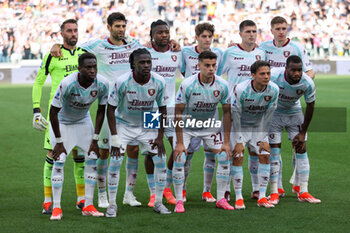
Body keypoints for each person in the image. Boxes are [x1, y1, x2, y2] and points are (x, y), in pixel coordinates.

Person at [50, 12, 180, 208]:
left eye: (123, 26)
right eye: (117, 26)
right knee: (105, 151)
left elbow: (155, 45)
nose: (121, 29)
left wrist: (173, 42)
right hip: (112, 107)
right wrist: (56, 46)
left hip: (146, 103)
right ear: (109, 27)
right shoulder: (96, 45)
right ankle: (102, 195)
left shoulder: (134, 44)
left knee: (138, 150)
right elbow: (75, 49)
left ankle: (131, 193)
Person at [106, 48, 171, 217]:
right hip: (124, 124)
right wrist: (114, 137)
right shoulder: (122, 81)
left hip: (148, 122)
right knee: (115, 161)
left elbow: (163, 109)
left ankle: (158, 202)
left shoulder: (158, 81)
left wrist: (159, 136)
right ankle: (112, 204)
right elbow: (110, 109)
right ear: (133, 64)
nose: (146, 65)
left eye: (148, 62)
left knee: (161, 159)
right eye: (142, 62)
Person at [32, 19, 86, 214]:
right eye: (69, 31)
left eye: (75, 30)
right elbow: (38, 83)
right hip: (56, 114)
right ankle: (48, 201)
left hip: (78, 114)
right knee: (52, 155)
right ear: (61, 34)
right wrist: (36, 110)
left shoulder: (84, 55)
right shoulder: (52, 55)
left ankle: (82, 199)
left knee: (79, 156)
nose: (73, 34)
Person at [259, 16, 315, 196]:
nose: (281, 31)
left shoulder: (297, 47)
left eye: (284, 28)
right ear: (272, 30)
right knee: (274, 148)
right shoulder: (264, 48)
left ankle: (299, 185)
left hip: (293, 105)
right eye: (278, 28)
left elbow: (309, 71)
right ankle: (278, 188)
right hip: (274, 108)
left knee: (298, 145)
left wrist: (296, 87)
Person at [49, 52, 109, 220]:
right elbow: (53, 112)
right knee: (59, 161)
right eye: (88, 67)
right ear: (79, 68)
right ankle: (56, 208)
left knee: (92, 159)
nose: (92, 70)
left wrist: (95, 139)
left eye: (94, 67)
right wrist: (59, 142)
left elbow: (101, 111)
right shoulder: (68, 83)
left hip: (83, 122)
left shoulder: (102, 84)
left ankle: (88, 205)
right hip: (62, 123)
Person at [170, 22, 223, 203]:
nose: (207, 40)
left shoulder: (219, 54)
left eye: (210, 37)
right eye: (204, 36)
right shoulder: (185, 52)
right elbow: (170, 55)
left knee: (211, 153)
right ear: (197, 37)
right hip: (190, 111)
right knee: (186, 153)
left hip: (210, 110)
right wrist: (173, 42)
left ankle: (207, 191)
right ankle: (182, 190)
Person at [173, 51, 232, 212]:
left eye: (214, 65)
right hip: (187, 126)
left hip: (210, 125)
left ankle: (220, 198)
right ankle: (179, 200)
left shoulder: (223, 85)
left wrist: (226, 142)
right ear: (198, 66)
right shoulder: (188, 84)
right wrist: (179, 142)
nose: (211, 69)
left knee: (224, 156)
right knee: (179, 157)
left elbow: (227, 112)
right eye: (207, 65)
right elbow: (178, 112)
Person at [217, 20, 266, 200]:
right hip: (233, 109)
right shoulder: (229, 52)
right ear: (240, 34)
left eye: (254, 31)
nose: (251, 34)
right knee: (232, 150)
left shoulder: (261, 53)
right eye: (248, 31)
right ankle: (227, 189)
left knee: (255, 150)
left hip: (256, 109)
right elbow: (217, 75)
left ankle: (255, 189)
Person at [268, 55, 321, 205]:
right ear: (286, 69)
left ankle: (303, 190)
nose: (297, 73)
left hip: (294, 113)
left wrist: (303, 132)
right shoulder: (274, 76)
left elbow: (310, 106)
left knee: (301, 149)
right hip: (275, 114)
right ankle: (274, 192)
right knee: (274, 151)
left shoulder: (307, 83)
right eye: (293, 70)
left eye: (300, 70)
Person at [143, 20, 182, 207]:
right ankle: (153, 192)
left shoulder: (177, 53)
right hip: (151, 110)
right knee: (152, 151)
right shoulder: (145, 54)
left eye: (167, 32)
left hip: (172, 108)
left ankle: (166, 187)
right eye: (160, 33)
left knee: (177, 148)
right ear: (152, 35)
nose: (164, 35)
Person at [231, 60, 279, 208]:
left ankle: (262, 196)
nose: (266, 76)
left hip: (258, 126)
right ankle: (238, 197)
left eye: (268, 73)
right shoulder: (241, 89)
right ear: (253, 75)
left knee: (265, 155)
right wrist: (239, 140)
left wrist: (264, 137)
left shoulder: (274, 90)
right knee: (238, 157)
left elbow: (269, 115)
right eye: (262, 74)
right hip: (240, 126)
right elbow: (235, 114)